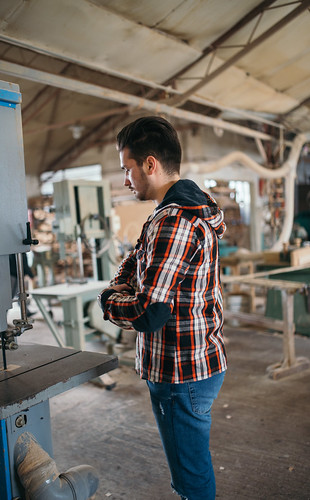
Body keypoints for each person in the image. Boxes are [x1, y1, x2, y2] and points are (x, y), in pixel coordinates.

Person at [98, 116, 227, 500]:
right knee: (191, 465)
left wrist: (107, 301)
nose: (125, 179)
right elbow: (133, 263)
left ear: (150, 164)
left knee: (191, 476)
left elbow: (150, 311)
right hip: (190, 364)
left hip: (181, 371)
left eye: (128, 169)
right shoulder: (175, 213)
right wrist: (126, 280)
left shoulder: (173, 222)